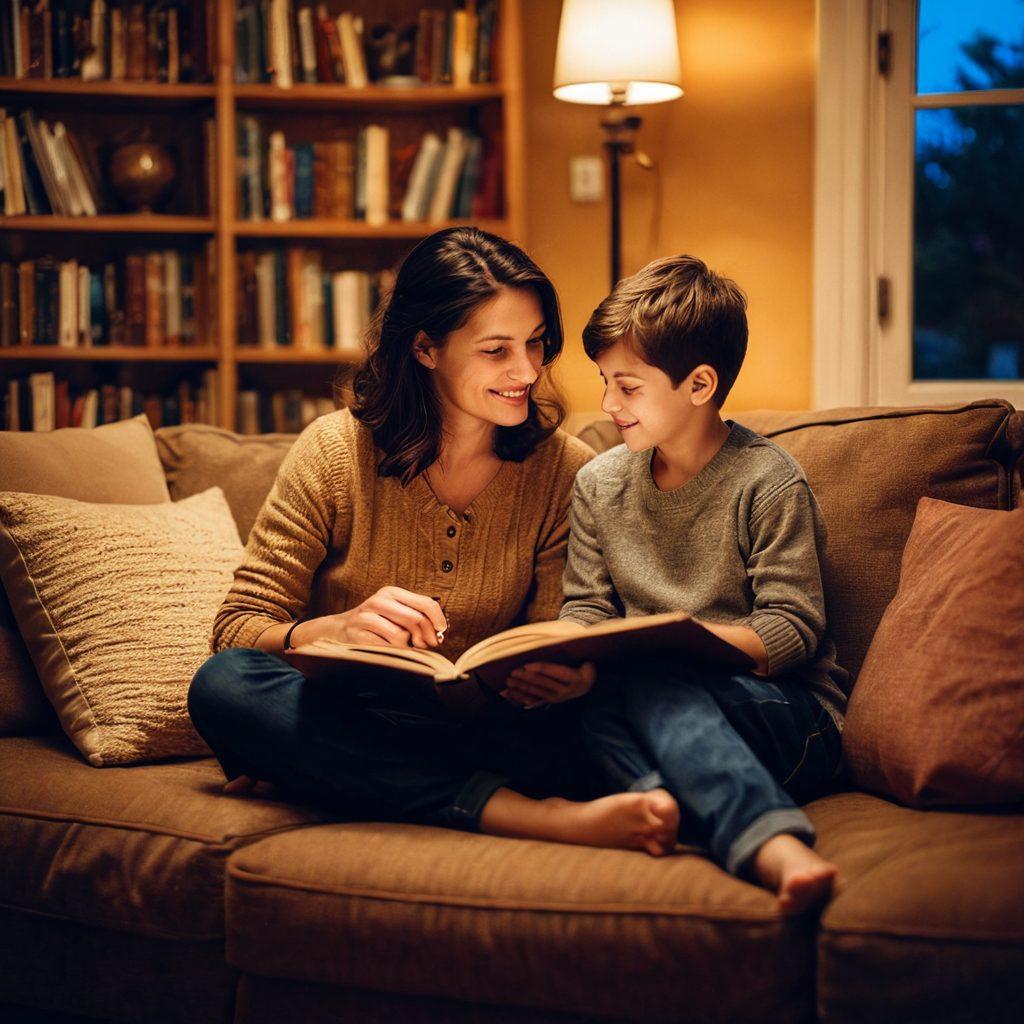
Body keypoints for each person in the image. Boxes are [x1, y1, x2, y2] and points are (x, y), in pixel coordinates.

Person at [187, 227, 678, 853]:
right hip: (353, 714)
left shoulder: (565, 472)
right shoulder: (335, 453)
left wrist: (573, 676)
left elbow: (564, 628)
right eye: (496, 350)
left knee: (590, 730)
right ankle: (530, 817)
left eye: (534, 344)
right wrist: (329, 631)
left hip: (487, 731)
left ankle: (325, 779)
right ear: (425, 347)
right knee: (225, 686)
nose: (525, 371)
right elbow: (236, 626)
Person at [501, 254, 851, 913]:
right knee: (593, 700)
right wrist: (570, 660)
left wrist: (683, 643)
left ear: (698, 385)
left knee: (651, 677)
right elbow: (586, 608)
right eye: (605, 382)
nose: (606, 405)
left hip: (783, 718)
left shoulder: (767, 481)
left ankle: (771, 841)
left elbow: (793, 625)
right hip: (645, 705)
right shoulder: (599, 485)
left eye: (628, 387)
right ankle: (662, 806)